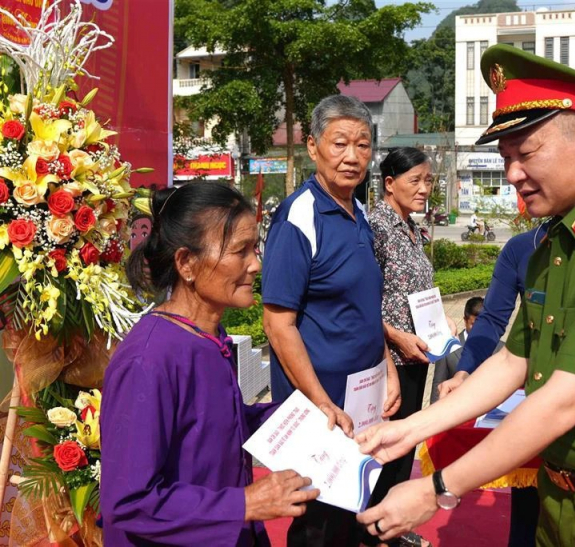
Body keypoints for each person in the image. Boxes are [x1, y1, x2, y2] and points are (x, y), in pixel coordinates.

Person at [356, 44, 575, 546]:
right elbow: (514, 360)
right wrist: (412, 428)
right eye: (506, 159)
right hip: (560, 498)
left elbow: (563, 402)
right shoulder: (557, 239)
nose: (511, 175)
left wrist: (437, 490)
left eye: (525, 154)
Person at [101, 183, 318, 546]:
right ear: (186, 263)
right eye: (240, 251)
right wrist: (245, 503)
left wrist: (308, 416)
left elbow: (221, 424)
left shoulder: (207, 336)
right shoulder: (148, 360)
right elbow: (129, 502)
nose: (256, 264)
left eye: (255, 248)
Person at [261, 94, 401, 547]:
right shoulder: (298, 217)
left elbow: (364, 305)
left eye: (363, 144)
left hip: (361, 401)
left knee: (351, 517)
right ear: (313, 146)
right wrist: (321, 403)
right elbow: (277, 324)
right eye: (340, 143)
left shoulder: (358, 212)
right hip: (320, 410)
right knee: (318, 526)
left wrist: (387, 368)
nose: (352, 156)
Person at [434, 222, 549, 547]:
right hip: (534, 393)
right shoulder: (522, 247)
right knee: (527, 505)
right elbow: (494, 319)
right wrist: (463, 373)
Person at [366, 147, 435, 547]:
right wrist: (395, 336)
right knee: (387, 444)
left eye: (428, 181)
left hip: (417, 356)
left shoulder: (412, 228)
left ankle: (390, 523)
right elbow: (361, 299)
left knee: (405, 441)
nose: (424, 189)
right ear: (389, 184)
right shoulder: (376, 228)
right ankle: (376, 525)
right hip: (388, 359)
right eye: (416, 181)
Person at [431, 296, 490, 405]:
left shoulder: (500, 348)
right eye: (473, 324)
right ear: (465, 320)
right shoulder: (448, 348)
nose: (478, 329)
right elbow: (438, 384)